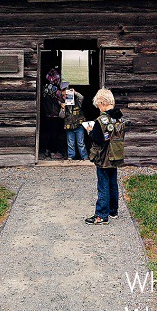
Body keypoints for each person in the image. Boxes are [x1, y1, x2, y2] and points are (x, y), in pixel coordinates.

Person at [85, 88, 125, 225]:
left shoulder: (101, 120)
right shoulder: (119, 117)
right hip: (116, 155)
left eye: (98, 105)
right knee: (113, 183)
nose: (98, 108)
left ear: (102, 102)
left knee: (103, 185)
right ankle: (113, 210)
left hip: (104, 157)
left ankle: (101, 215)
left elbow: (98, 139)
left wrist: (90, 131)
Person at [59, 82, 89, 161]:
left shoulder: (77, 102)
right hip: (69, 127)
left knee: (81, 143)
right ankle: (71, 157)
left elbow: (81, 97)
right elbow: (61, 116)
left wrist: (75, 92)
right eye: (63, 95)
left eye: (66, 94)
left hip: (79, 126)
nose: (65, 96)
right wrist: (62, 108)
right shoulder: (63, 105)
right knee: (70, 143)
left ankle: (84, 157)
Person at [41, 68, 65, 159]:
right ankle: (54, 152)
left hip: (46, 114)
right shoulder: (56, 90)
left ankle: (47, 150)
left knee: (47, 132)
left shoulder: (44, 88)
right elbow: (61, 101)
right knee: (55, 133)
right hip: (55, 114)